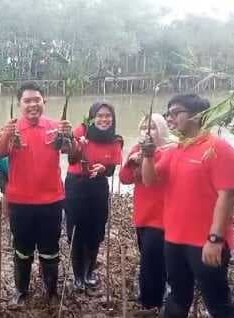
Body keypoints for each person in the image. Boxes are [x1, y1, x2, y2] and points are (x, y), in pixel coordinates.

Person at [142, 94, 234, 318]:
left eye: (176, 112)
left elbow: (227, 196)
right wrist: (148, 155)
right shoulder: (175, 150)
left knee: (217, 301)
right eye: (169, 113)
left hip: (205, 242)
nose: (170, 118)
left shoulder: (217, 148)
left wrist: (215, 239)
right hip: (173, 239)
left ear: (197, 116)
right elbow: (149, 181)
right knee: (177, 296)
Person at [0, 81, 74, 305]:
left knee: (50, 249)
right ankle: (21, 290)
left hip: (52, 200)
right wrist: (7, 134)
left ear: (43, 101)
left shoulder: (55, 126)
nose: (32, 104)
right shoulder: (12, 126)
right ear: (20, 104)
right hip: (20, 202)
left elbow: (71, 152)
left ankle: (51, 291)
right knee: (22, 249)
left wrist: (69, 135)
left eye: (36, 100)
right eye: (27, 101)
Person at [65, 101, 123, 292]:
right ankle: (78, 275)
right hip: (76, 185)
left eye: (108, 116)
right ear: (91, 117)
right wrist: (77, 146)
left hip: (98, 187)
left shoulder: (115, 140)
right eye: (99, 115)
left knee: (96, 232)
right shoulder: (81, 130)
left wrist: (102, 168)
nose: (104, 119)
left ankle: (90, 272)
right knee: (77, 233)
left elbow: (111, 169)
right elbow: (70, 157)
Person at [119, 113, 172, 312]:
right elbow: (124, 178)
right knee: (150, 256)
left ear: (162, 130)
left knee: (150, 260)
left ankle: (151, 302)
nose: (146, 132)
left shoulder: (169, 151)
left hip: (161, 217)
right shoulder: (136, 149)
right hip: (142, 215)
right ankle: (158, 290)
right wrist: (132, 161)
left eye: (152, 128)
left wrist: (147, 159)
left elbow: (155, 177)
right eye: (143, 128)